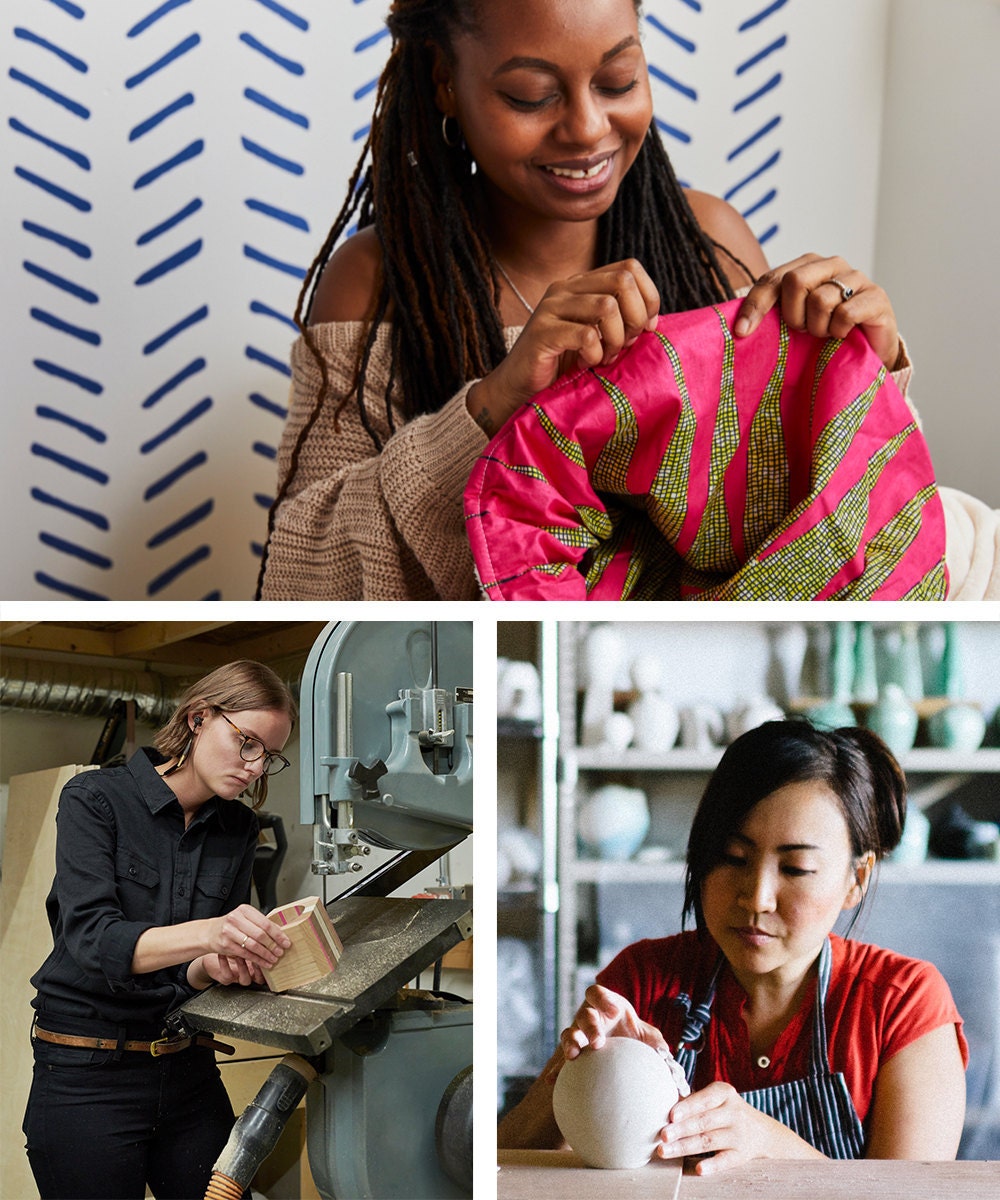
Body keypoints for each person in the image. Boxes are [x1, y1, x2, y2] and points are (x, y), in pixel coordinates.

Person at [257, 0, 911, 601]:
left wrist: (863, 372)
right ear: (445, 81)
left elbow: (808, 528)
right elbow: (302, 572)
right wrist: (494, 404)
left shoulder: (708, 243)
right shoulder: (377, 282)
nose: (587, 126)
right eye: (531, 95)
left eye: (618, 80)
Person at [497, 719, 968, 1173]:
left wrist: (767, 1144)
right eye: (732, 858)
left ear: (855, 880)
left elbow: (910, 1192)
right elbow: (500, 1166)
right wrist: (574, 1068)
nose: (756, 898)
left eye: (796, 868)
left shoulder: (902, 1003)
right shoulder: (643, 982)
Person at [22, 661, 298, 1200]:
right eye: (246, 742)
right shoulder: (94, 800)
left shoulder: (239, 828)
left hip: (187, 1071)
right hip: (86, 1073)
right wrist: (211, 934)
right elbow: (95, 942)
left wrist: (214, 966)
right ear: (198, 718)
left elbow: (190, 968)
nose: (254, 766)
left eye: (269, 755)